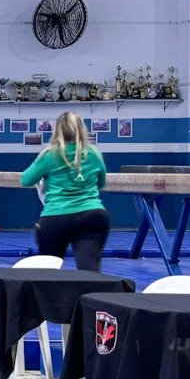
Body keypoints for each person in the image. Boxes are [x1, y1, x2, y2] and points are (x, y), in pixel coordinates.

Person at [21, 112, 109, 272]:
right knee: (90, 272)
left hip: (56, 216)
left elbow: (26, 180)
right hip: (91, 215)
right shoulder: (93, 153)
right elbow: (101, 183)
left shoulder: (50, 154)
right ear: (82, 129)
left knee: (47, 272)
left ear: (57, 131)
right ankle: (92, 287)